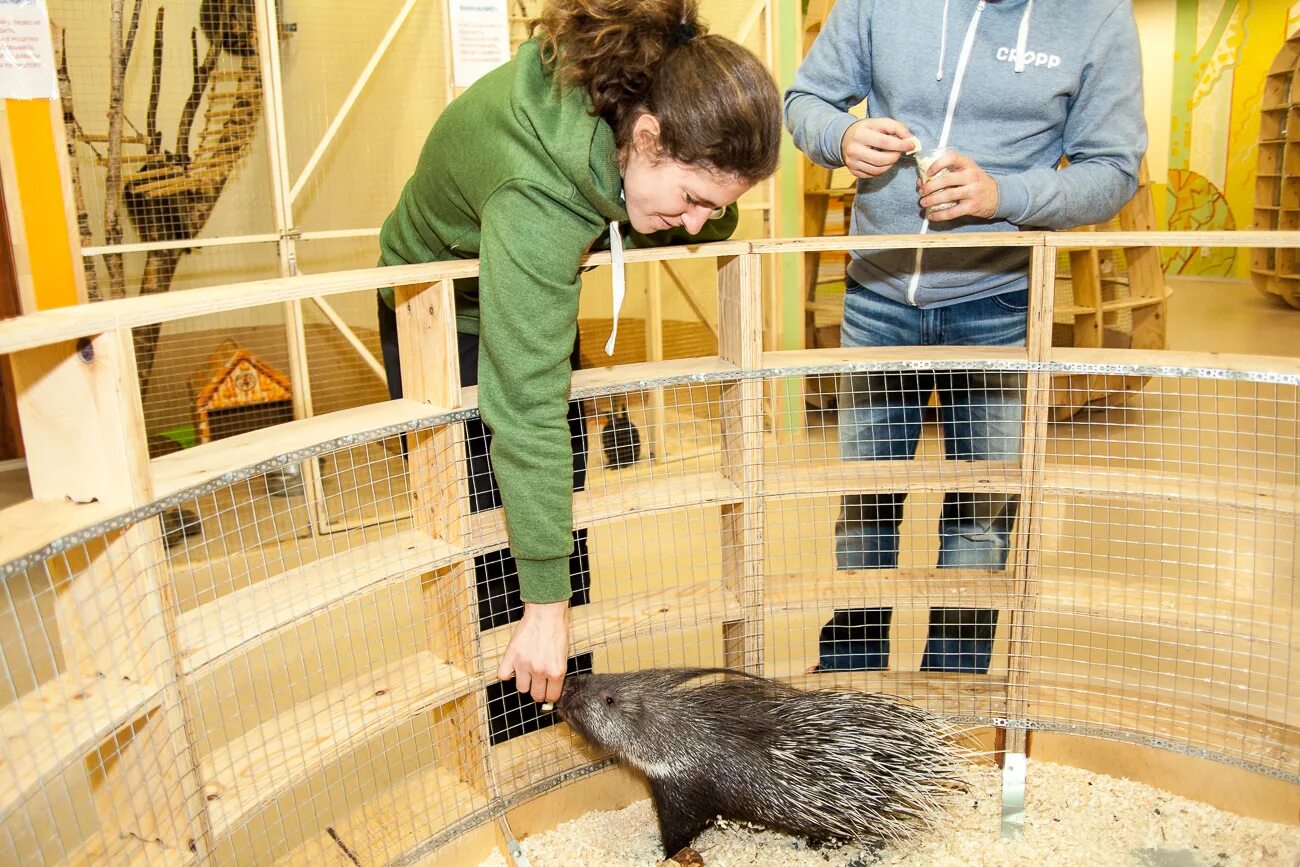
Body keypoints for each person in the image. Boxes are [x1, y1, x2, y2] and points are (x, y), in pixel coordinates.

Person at [377, 0, 782, 723]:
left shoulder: (637, 110)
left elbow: (719, 214)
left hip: (526, 266)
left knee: (556, 510)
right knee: (493, 539)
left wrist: (694, 201)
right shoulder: (539, 190)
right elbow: (526, 410)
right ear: (648, 138)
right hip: (440, 317)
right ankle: (510, 740)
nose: (698, 222)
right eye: (689, 197)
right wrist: (545, 606)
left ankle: (560, 719)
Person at [785, 0, 1146, 674]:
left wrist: (1002, 195)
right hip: (876, 298)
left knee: (980, 521)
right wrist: (838, 136)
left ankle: (953, 701)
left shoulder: (1096, 17)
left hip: (1000, 306)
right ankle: (853, 695)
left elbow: (1113, 171)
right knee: (865, 512)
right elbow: (805, 99)